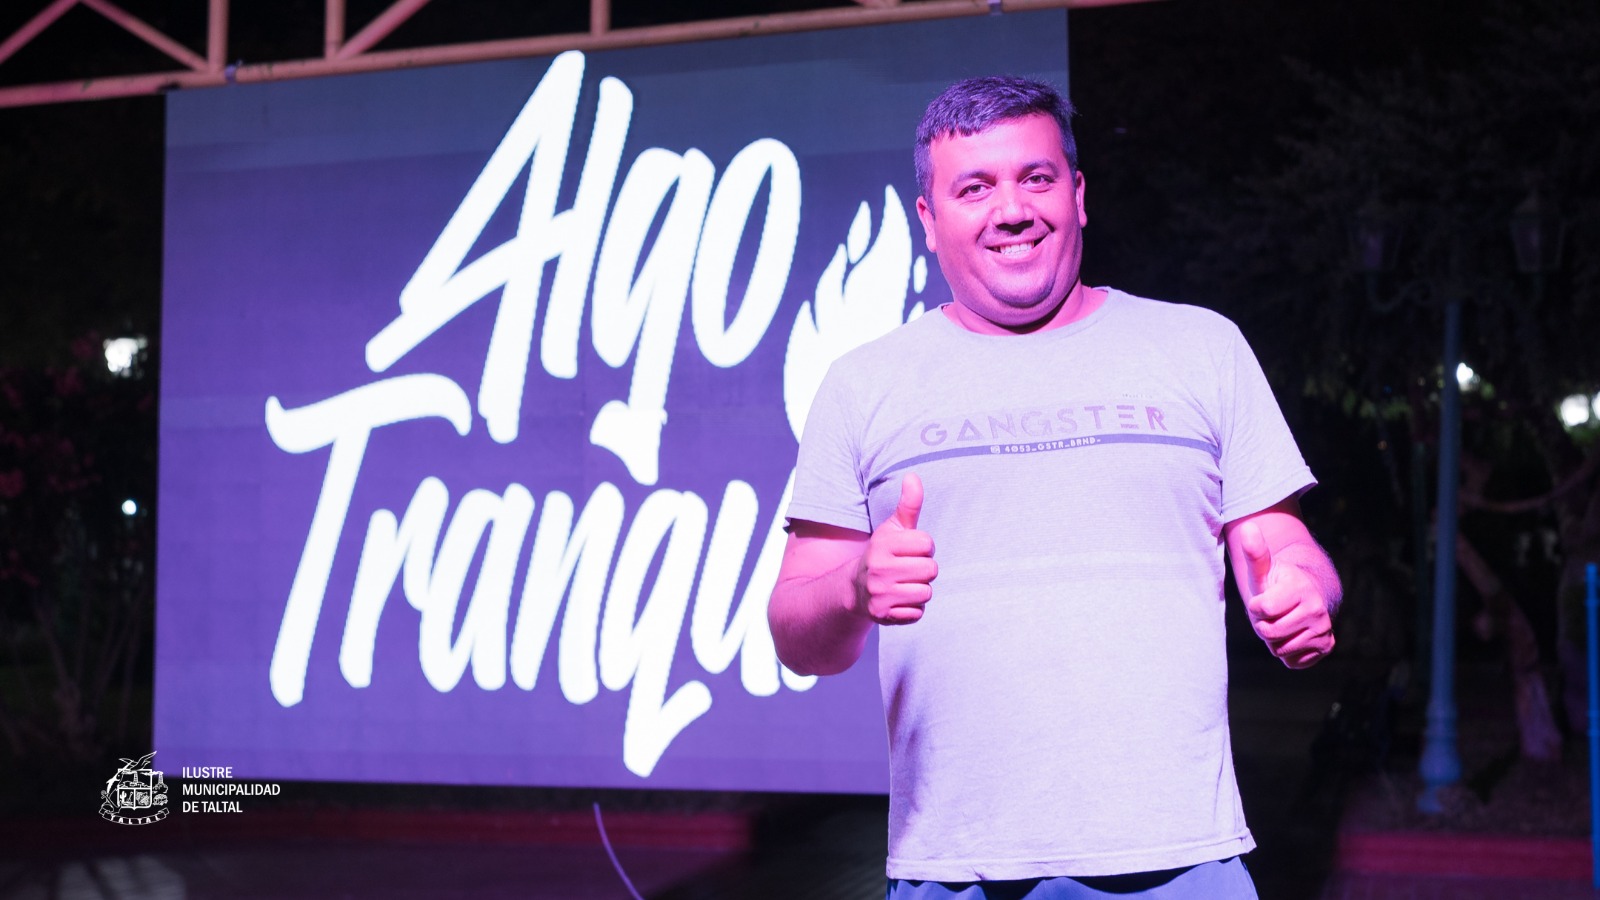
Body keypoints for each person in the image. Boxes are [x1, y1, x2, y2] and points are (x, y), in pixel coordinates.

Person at [767, 75, 1340, 899]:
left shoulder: (1200, 348)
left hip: (1183, 862)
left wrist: (1302, 590)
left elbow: (1286, 549)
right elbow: (796, 634)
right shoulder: (864, 384)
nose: (1011, 209)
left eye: (1035, 179)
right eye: (974, 187)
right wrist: (856, 587)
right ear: (929, 220)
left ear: (1077, 195)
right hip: (953, 871)